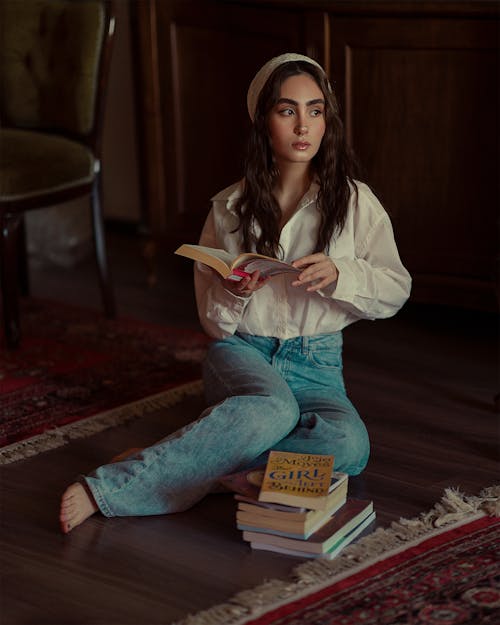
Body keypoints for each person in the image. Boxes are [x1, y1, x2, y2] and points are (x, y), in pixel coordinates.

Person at [59, 52, 411, 534]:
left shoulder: (355, 202)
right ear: (264, 122)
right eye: (287, 110)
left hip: (319, 363)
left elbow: (397, 288)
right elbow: (213, 324)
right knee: (272, 408)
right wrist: (235, 292)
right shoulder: (228, 208)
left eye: (315, 110)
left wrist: (341, 273)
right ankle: (110, 488)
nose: (303, 125)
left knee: (350, 445)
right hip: (243, 353)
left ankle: (199, 467)